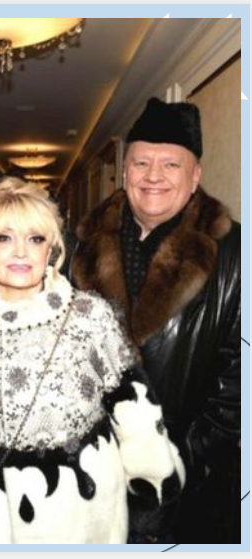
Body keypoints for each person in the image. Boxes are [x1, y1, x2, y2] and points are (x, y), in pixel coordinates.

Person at [0, 177, 185, 544]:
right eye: (3, 238)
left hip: (81, 516)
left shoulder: (89, 318)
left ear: (51, 249)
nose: (21, 252)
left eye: (35, 238)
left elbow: (135, 413)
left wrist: (152, 500)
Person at [71, 97, 241, 543]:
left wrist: (173, 464)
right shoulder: (80, 246)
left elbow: (238, 387)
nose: (153, 176)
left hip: (185, 491)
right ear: (124, 170)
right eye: (142, 162)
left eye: (170, 164)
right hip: (89, 479)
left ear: (195, 176)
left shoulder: (235, 255)